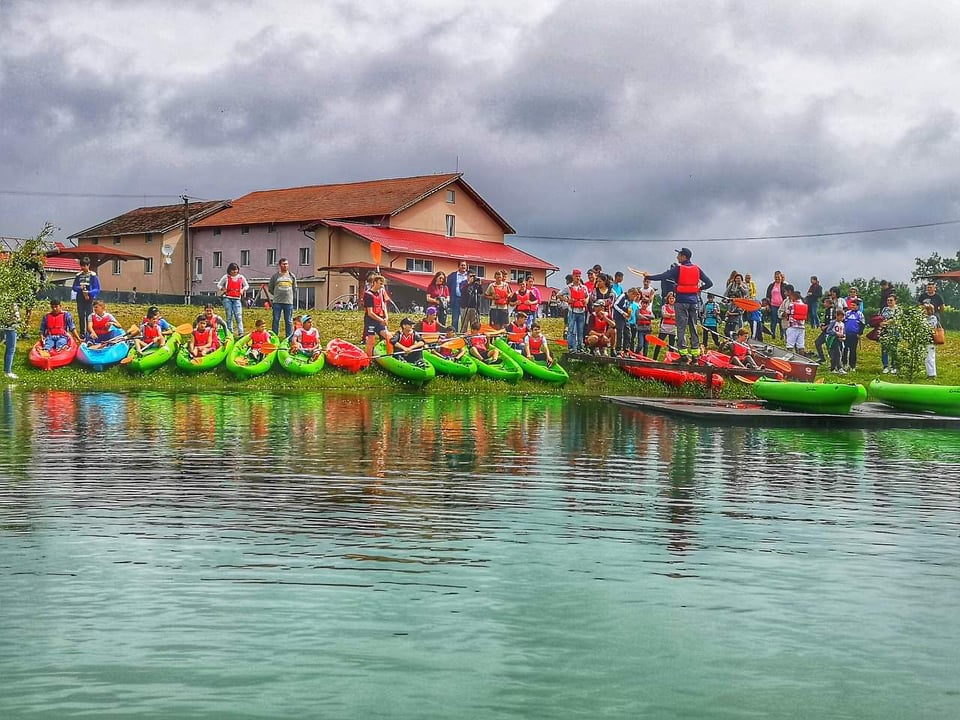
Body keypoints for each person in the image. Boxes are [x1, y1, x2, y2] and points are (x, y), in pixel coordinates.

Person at [644, 248, 712, 363]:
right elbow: (709, 283)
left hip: (681, 301)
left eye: (679, 255)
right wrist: (699, 289)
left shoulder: (678, 269)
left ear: (684, 257)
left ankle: (684, 355)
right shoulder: (697, 269)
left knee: (681, 328)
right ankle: (695, 357)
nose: (677, 257)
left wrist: (648, 277)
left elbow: (663, 276)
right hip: (693, 302)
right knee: (693, 327)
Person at [217, 262, 250, 336]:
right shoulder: (226, 277)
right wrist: (223, 289)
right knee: (229, 316)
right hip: (227, 298)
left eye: (236, 270)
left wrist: (242, 290)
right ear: (229, 270)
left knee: (238, 315)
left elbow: (247, 285)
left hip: (237, 299)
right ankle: (230, 332)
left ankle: (241, 332)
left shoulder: (241, 277)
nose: (235, 271)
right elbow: (219, 285)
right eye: (233, 270)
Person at [363, 274, 392, 357]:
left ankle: (389, 356)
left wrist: (386, 317)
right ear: (374, 283)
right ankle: (369, 360)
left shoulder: (382, 292)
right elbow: (370, 313)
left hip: (380, 319)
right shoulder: (368, 294)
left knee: (388, 336)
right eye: (380, 283)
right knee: (371, 341)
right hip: (371, 321)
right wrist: (381, 320)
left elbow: (384, 306)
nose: (381, 286)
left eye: (382, 284)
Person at [268, 257, 297, 338]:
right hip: (277, 302)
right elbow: (270, 288)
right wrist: (277, 294)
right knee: (276, 320)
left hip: (288, 302)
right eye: (283, 264)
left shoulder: (292, 276)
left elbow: (295, 288)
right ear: (280, 265)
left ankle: (289, 338)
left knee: (288, 321)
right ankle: (274, 337)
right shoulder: (275, 276)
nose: (285, 266)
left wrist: (289, 295)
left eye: (287, 264)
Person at [562, 269, 589, 352]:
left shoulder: (584, 287)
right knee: (571, 330)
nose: (578, 278)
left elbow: (587, 296)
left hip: (582, 311)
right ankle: (571, 347)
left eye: (579, 276)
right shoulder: (568, 287)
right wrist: (567, 300)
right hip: (572, 311)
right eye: (576, 276)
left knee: (580, 331)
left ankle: (580, 347)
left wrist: (586, 301)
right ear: (573, 276)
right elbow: (559, 295)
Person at [71, 256, 100, 334]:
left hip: (89, 298)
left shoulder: (93, 276)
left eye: (85, 266)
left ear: (88, 265)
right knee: (81, 315)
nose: (83, 267)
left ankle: (89, 332)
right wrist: (80, 288)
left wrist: (89, 293)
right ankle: (82, 333)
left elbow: (97, 288)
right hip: (80, 297)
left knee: (89, 316)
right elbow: (74, 287)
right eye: (82, 266)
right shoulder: (78, 275)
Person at [764, 271, 792, 340]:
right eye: (776, 277)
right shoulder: (771, 286)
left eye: (778, 277)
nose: (777, 279)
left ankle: (782, 335)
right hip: (773, 305)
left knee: (781, 321)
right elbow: (768, 296)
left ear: (781, 277)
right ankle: (772, 334)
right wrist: (767, 305)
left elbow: (787, 295)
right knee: (773, 320)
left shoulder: (784, 285)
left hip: (782, 305)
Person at [878, 294, 901, 374]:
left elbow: (896, 319)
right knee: (884, 349)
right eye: (888, 300)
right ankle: (885, 366)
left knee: (894, 349)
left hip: (894, 330)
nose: (889, 302)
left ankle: (894, 366)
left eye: (891, 300)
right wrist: (880, 323)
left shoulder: (898, 309)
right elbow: (880, 317)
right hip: (885, 331)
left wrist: (885, 322)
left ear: (895, 301)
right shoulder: (884, 309)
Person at [651, 291, 677, 360]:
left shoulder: (677, 307)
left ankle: (670, 360)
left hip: (673, 330)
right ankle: (654, 359)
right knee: (658, 344)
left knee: (671, 347)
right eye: (670, 298)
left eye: (673, 298)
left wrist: (670, 315)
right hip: (664, 329)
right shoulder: (664, 306)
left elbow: (677, 316)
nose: (672, 300)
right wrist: (672, 315)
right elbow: (664, 315)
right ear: (668, 299)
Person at [841, 301, 865, 371]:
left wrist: (859, 333)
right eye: (851, 305)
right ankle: (844, 364)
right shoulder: (847, 313)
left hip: (854, 335)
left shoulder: (860, 314)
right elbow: (843, 321)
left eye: (854, 305)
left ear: (858, 306)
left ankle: (852, 366)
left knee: (853, 350)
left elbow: (862, 325)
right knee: (845, 349)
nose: (852, 307)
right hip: (846, 334)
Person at [448, 261, 470, 331]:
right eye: (462, 265)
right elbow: (448, 287)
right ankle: (454, 333)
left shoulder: (469, 276)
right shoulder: (452, 276)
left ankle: (463, 334)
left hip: (465, 300)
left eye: (464, 265)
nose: (463, 267)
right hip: (456, 299)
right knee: (455, 319)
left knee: (464, 319)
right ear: (458, 266)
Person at [813, 297, 836, 364]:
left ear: (829, 303)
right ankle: (822, 358)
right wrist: (823, 324)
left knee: (829, 346)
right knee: (817, 342)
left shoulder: (831, 310)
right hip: (825, 331)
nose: (824, 304)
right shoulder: (827, 310)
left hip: (829, 332)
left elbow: (832, 321)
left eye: (825, 302)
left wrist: (826, 326)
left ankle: (833, 362)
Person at [2, 304, 19, 379]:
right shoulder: (10, 300)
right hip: (10, 326)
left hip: (6, 324)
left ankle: (7, 371)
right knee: (11, 348)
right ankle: (7, 372)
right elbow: (14, 314)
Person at [828, 309, 847, 374]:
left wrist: (843, 337)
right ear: (836, 316)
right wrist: (836, 334)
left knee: (838, 354)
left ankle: (832, 368)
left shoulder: (842, 324)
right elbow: (828, 331)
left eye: (842, 317)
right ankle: (839, 368)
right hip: (834, 339)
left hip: (840, 340)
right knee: (837, 353)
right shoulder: (833, 322)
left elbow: (844, 332)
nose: (841, 318)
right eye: (840, 317)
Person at [924, 302, 939, 378]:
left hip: (930, 339)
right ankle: (929, 373)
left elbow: (930, 327)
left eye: (924, 309)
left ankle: (932, 374)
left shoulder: (933, 318)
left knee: (930, 357)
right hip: (924, 339)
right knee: (926, 358)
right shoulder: (923, 318)